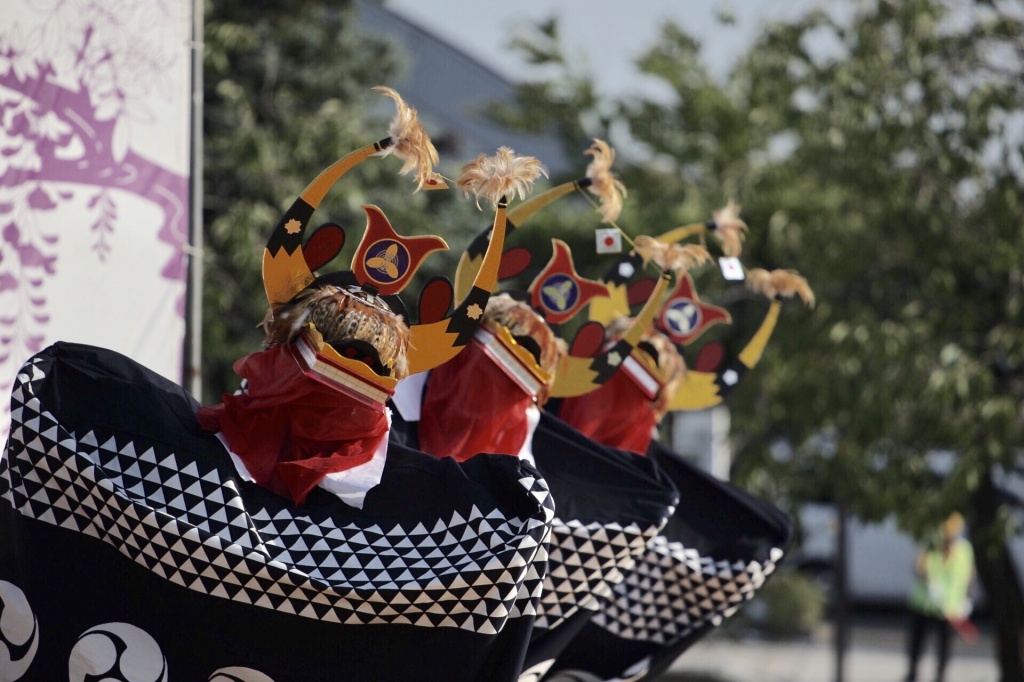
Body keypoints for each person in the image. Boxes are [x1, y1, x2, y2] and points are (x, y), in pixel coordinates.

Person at [904, 512, 976, 682]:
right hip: (924, 604)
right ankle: (912, 673)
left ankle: (940, 676)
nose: (948, 538)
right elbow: (918, 567)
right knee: (917, 642)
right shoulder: (931, 545)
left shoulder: (964, 550)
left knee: (944, 645)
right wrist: (928, 582)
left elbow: (970, 575)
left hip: (949, 608)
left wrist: (967, 599)